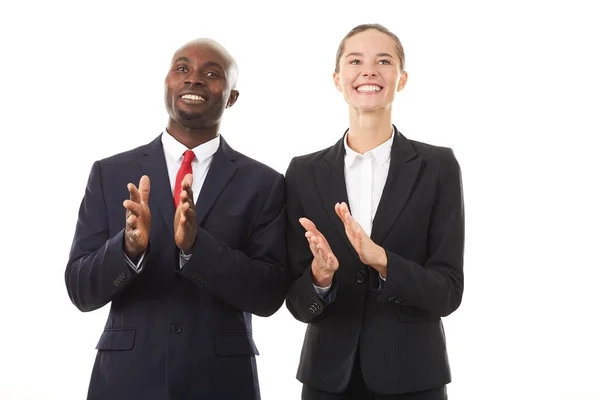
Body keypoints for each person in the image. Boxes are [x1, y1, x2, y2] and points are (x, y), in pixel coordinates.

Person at [65, 38, 289, 400]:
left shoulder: (264, 183)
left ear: (231, 96)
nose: (194, 79)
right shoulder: (109, 172)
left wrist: (197, 248)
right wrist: (127, 248)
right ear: (167, 84)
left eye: (211, 73)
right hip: (128, 379)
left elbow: (268, 295)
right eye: (182, 69)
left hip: (221, 381)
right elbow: (80, 289)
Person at [285, 24, 464, 400]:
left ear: (401, 79)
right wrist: (320, 276)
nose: (369, 71)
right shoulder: (303, 172)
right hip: (327, 379)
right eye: (355, 61)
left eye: (384, 61)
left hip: (414, 377)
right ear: (338, 79)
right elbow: (298, 304)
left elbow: (448, 292)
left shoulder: (437, 166)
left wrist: (383, 261)